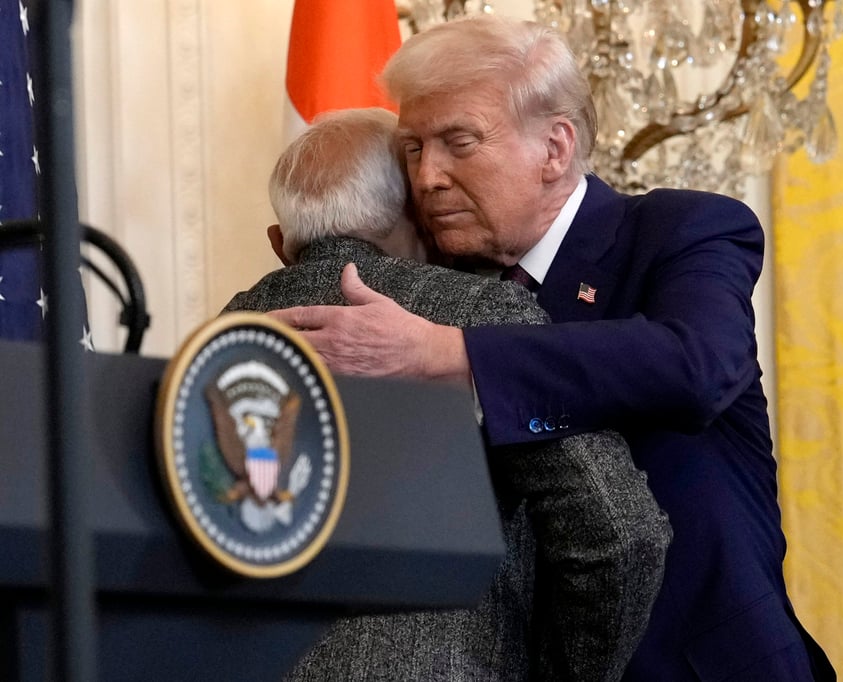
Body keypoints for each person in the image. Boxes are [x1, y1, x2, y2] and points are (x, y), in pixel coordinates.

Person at [267, 15, 836, 682]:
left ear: (555, 148)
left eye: (459, 142)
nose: (427, 178)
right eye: (414, 149)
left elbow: (695, 365)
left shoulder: (681, 230)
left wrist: (455, 356)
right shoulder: (436, 290)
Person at [223, 107, 671, 681]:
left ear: (279, 242)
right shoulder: (479, 315)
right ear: (419, 212)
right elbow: (619, 530)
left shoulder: (212, 345)